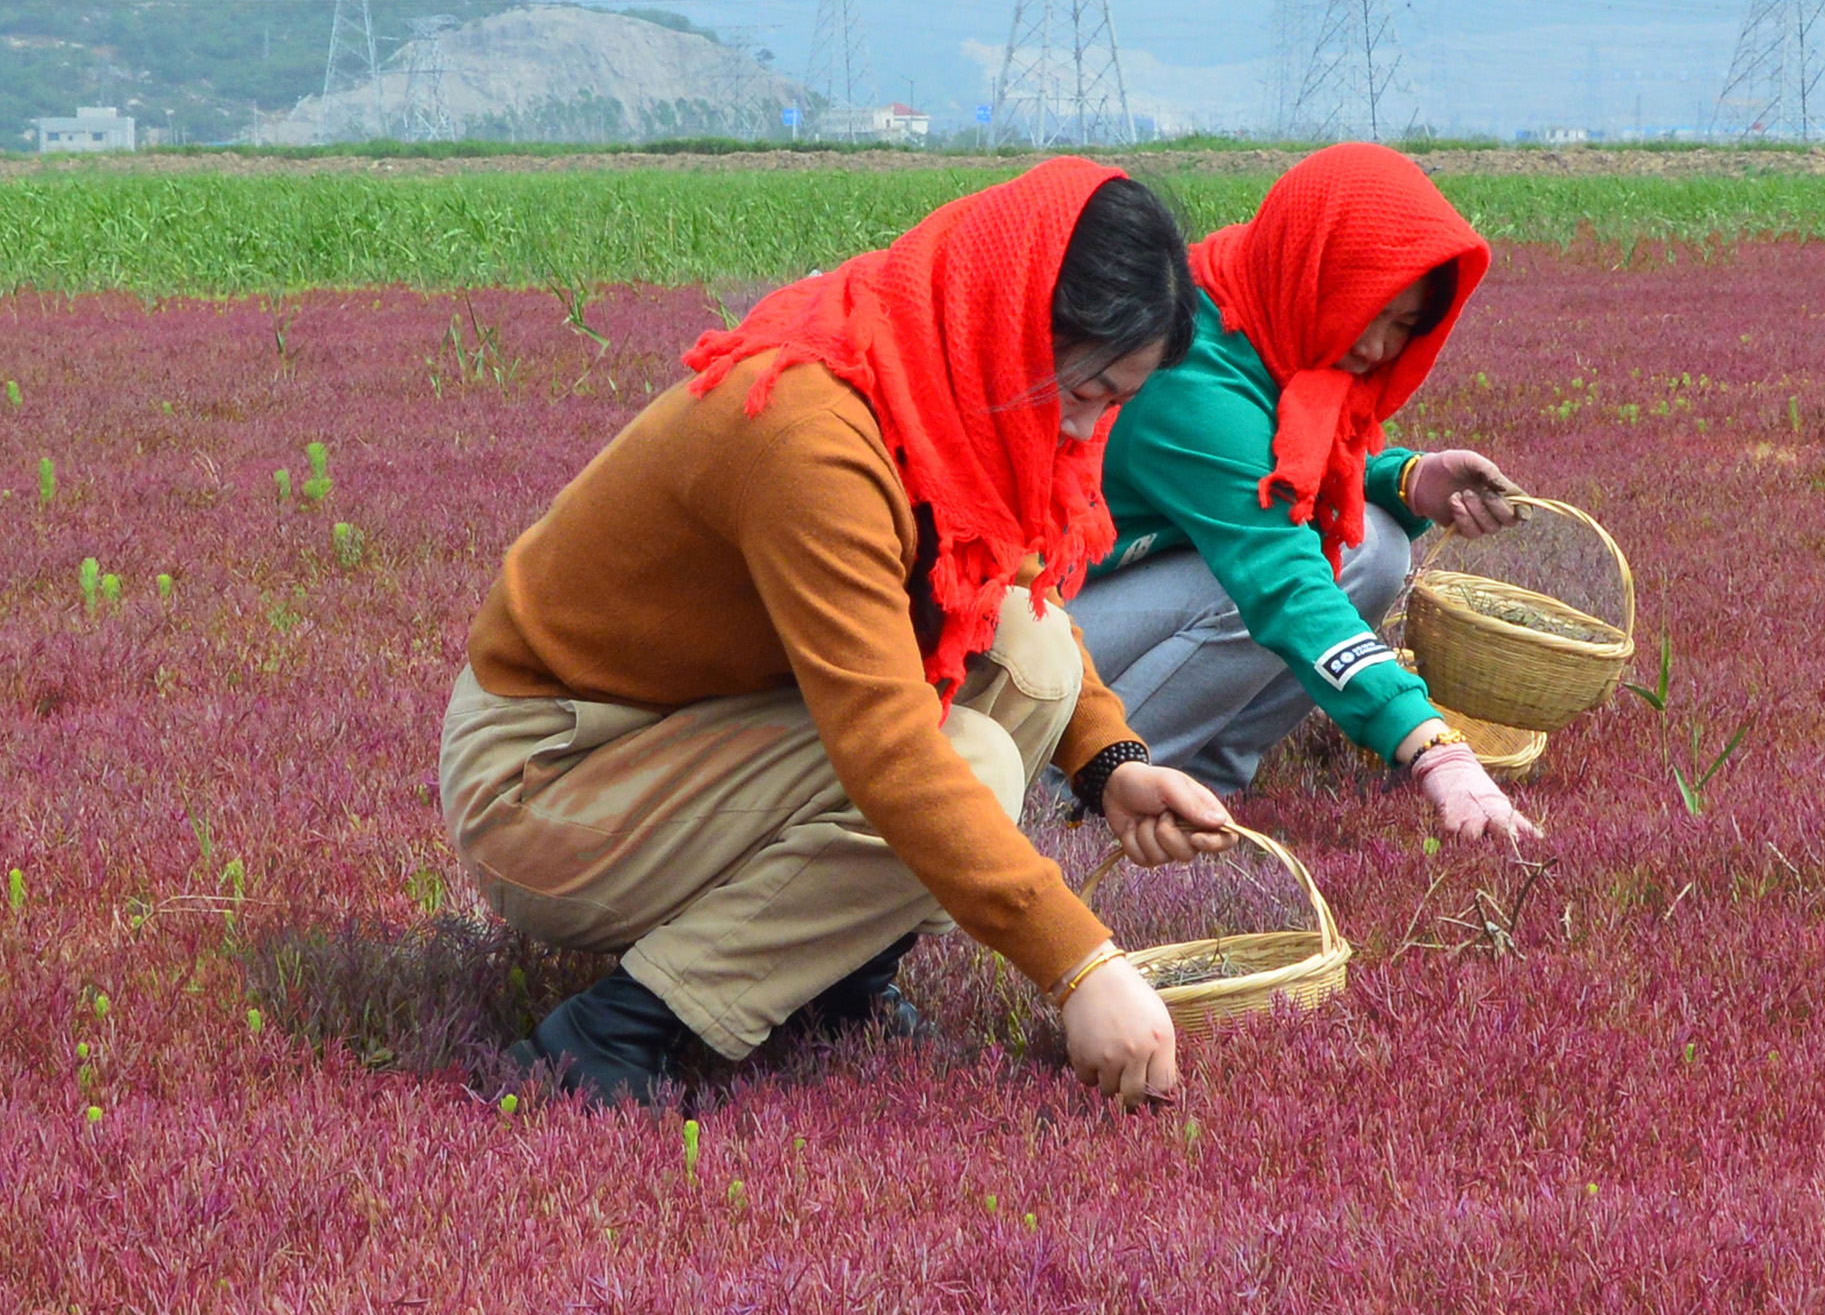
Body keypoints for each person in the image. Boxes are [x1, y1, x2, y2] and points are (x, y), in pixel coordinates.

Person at [437, 160, 1238, 1110]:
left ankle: (832, 978)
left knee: (1033, 655)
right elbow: (887, 747)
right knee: (966, 761)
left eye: (1114, 401)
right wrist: (1079, 965)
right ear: (1011, 318)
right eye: (1087, 389)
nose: (1084, 426)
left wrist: (1109, 765)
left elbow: (1010, 581)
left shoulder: (923, 357)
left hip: (683, 728)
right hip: (547, 778)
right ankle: (609, 1032)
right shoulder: (817, 438)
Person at [1065, 143, 1543, 844]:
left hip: (1109, 587)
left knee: (1373, 543)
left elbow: (1276, 463)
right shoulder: (1192, 375)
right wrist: (1435, 750)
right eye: (1368, 311)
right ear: (1313, 272)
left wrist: (1408, 478)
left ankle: (1213, 776)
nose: (1379, 349)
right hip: (1036, 627)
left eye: (1405, 325)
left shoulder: (1261, 302)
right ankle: (1077, 786)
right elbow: (1281, 579)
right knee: (1276, 579)